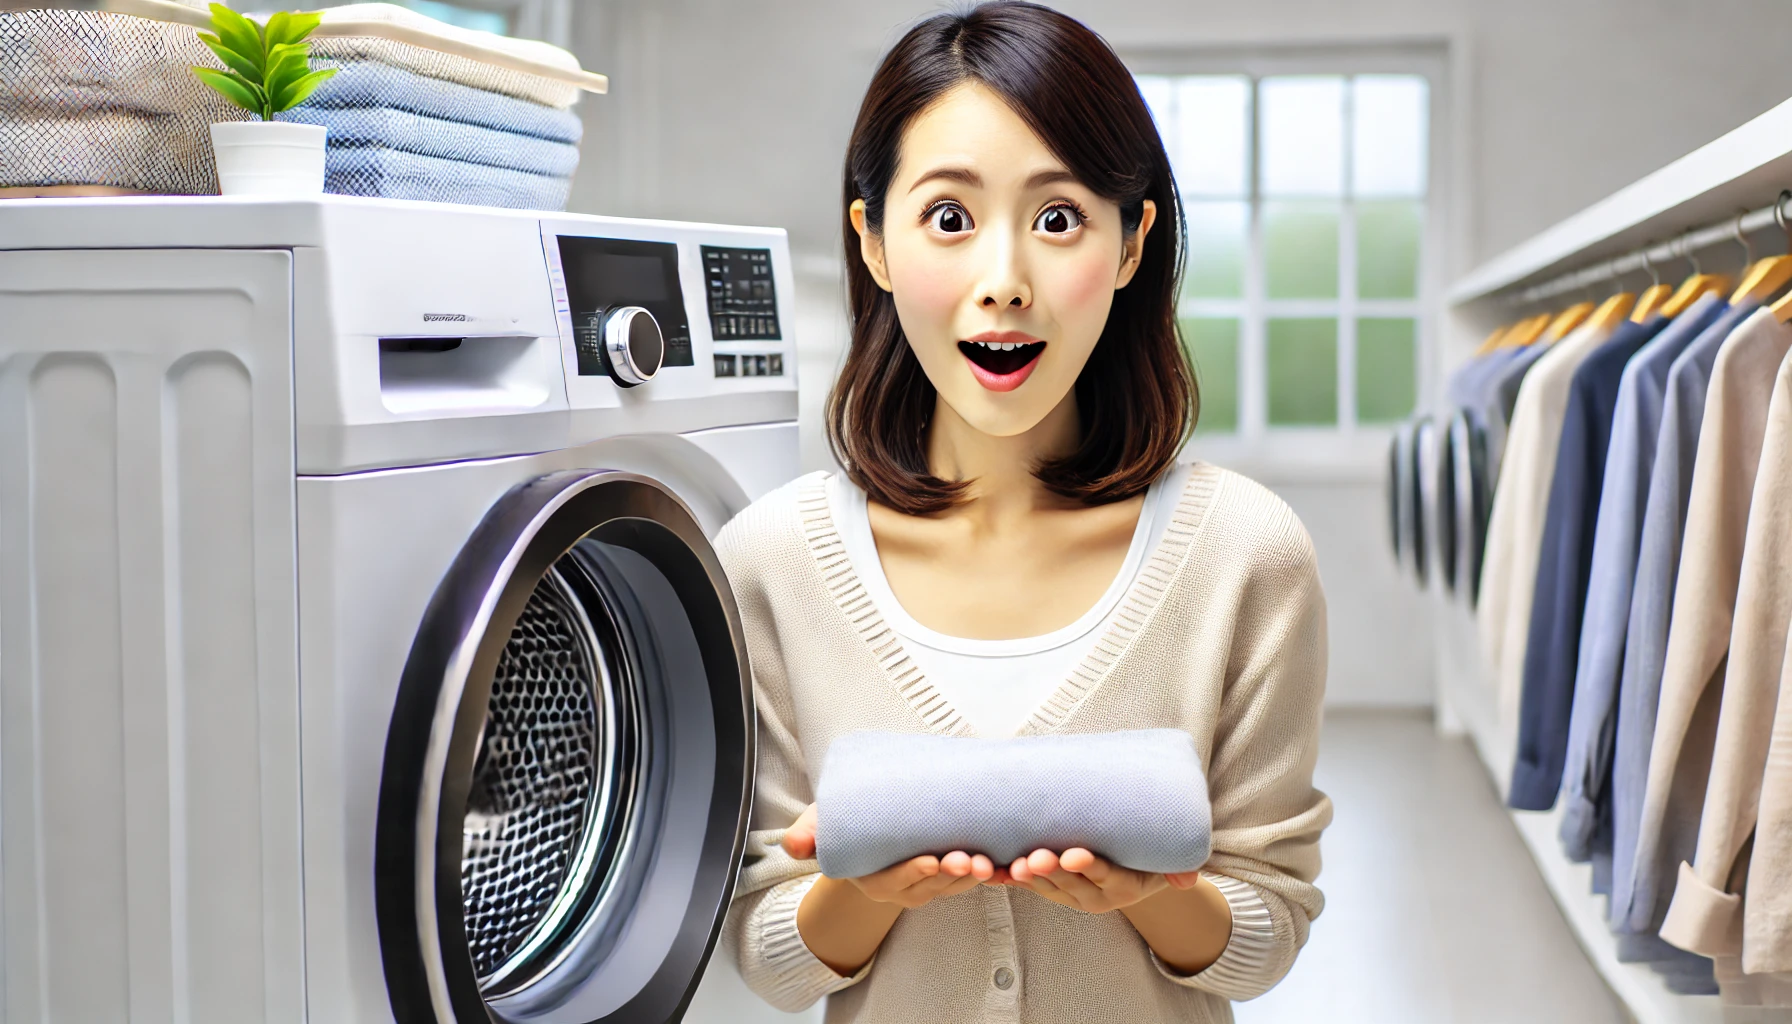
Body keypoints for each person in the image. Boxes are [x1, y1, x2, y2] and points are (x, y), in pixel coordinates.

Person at [715, 4, 1331, 1020]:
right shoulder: (771, 563)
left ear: (1133, 243)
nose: (1003, 283)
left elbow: (1267, 933)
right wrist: (856, 892)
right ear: (871, 242)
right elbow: (768, 957)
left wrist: (1152, 898)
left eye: (1057, 219)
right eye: (949, 219)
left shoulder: (1244, 555)